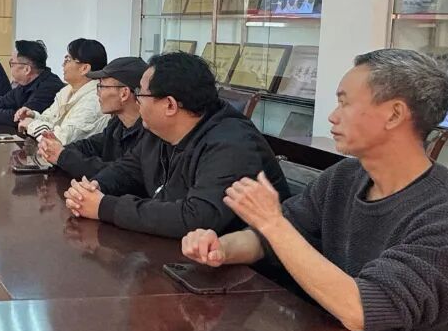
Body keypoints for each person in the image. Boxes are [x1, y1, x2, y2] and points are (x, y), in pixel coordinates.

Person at [182, 49, 448, 331]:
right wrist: (221, 248)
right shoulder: (345, 177)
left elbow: (360, 310)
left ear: (394, 114)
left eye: (344, 103)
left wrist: (273, 223)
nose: (332, 116)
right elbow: (271, 237)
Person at [64, 52, 289, 239]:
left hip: (245, 271)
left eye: (140, 93)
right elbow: (128, 169)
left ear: (170, 105)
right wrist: (94, 188)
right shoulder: (158, 131)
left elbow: (196, 218)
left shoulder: (232, 144)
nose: (136, 100)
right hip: (178, 254)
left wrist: (105, 207)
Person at [38, 56, 147, 178]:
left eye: (102, 86)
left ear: (124, 93)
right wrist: (57, 148)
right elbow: (90, 146)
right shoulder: (117, 123)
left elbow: (120, 173)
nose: (97, 93)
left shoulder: (149, 134)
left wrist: (63, 156)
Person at [18, 38, 110, 143]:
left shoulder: (95, 99)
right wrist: (33, 116)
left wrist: (31, 124)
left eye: (68, 60)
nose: (63, 65)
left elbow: (61, 139)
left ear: (84, 68)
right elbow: (51, 119)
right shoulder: (66, 91)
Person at [0, 40, 64, 125]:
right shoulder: (26, 83)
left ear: (26, 69)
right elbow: (2, 102)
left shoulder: (49, 87)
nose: (11, 67)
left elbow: (20, 117)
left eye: (12, 63)